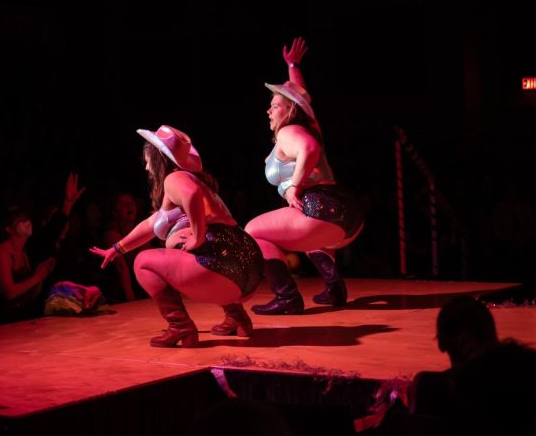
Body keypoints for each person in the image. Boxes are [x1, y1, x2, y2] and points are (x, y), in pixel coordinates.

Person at [90, 126, 263, 347]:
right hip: (246, 266)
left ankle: (180, 326)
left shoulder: (175, 179)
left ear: (158, 158)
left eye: (147, 159)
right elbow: (152, 224)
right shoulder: (191, 181)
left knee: (143, 262)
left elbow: (191, 196)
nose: (145, 165)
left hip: (220, 261)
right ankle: (237, 318)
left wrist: (198, 237)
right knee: (187, 252)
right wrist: (116, 249)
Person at [245, 38, 365, 315]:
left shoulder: (290, 132)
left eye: (274, 105)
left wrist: (295, 187)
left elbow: (308, 149)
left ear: (289, 110)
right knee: (301, 234)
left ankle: (287, 297)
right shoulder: (307, 125)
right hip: (346, 213)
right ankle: (335, 288)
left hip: (320, 206)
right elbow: (302, 96)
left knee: (253, 231)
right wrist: (292, 66)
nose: (268, 110)